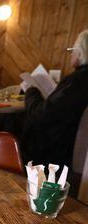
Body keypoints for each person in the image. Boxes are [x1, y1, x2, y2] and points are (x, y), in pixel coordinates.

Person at [21, 30, 88, 166]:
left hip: (56, 153)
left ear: (82, 52)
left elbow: (42, 115)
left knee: (16, 125)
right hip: (74, 145)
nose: (71, 54)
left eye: (73, 50)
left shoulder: (78, 81)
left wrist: (31, 91)